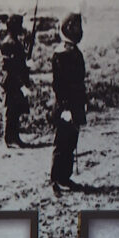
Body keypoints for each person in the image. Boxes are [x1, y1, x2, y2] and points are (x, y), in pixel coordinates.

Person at [50, 12, 87, 193]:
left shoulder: (74, 51)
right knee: (62, 142)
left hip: (76, 104)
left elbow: (79, 82)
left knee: (71, 141)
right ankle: (57, 178)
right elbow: (59, 85)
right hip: (66, 106)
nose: (79, 30)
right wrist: (65, 108)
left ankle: (66, 176)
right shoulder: (61, 54)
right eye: (76, 27)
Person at [0, 14, 33, 147]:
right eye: (19, 24)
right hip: (13, 81)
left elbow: (19, 62)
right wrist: (21, 84)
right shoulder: (9, 42)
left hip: (16, 80)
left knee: (16, 109)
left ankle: (15, 137)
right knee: (12, 110)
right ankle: (10, 138)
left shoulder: (14, 41)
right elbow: (12, 67)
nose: (21, 27)